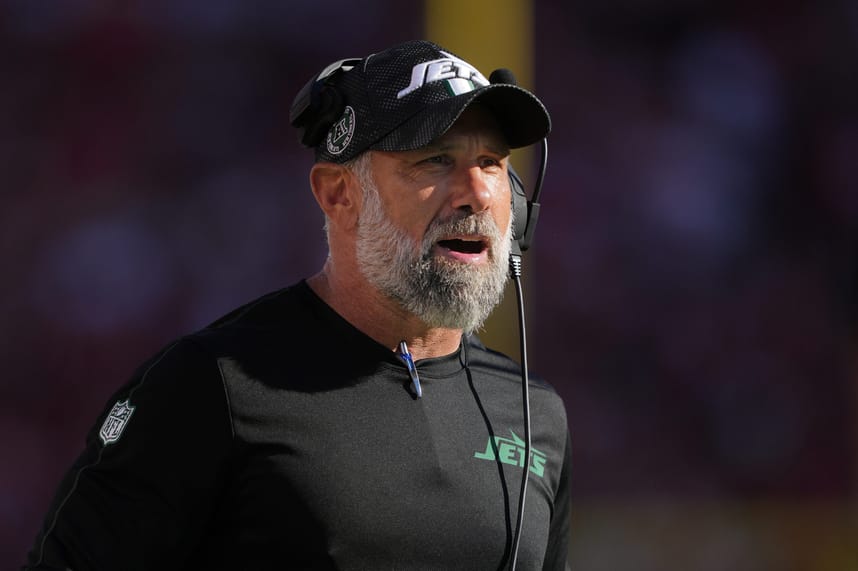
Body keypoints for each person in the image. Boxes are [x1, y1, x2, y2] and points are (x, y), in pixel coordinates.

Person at [24, 39, 571, 571]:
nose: (475, 192)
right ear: (339, 195)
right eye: (434, 160)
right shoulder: (211, 385)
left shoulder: (534, 412)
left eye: (492, 162)